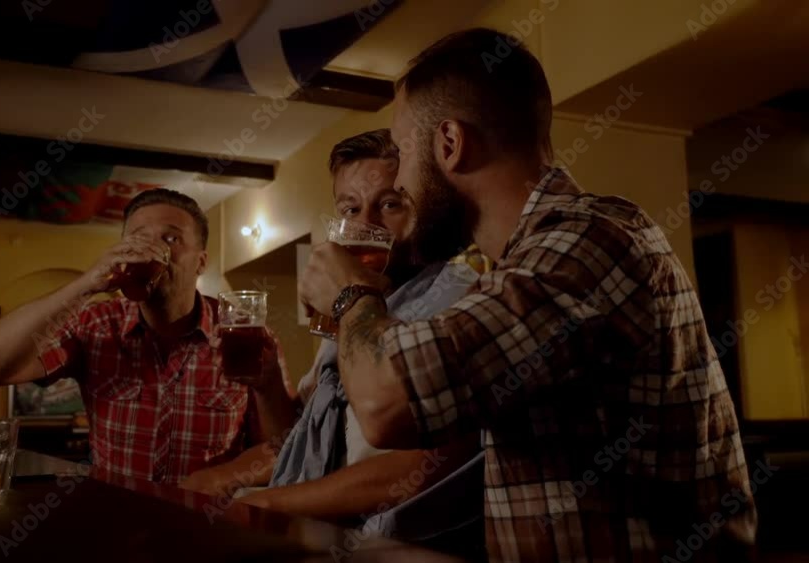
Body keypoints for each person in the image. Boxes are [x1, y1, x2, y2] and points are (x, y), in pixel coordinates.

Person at [298, 29, 757, 562]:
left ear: (449, 144)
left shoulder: (585, 244)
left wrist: (350, 293)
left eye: (402, 153)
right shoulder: (529, 260)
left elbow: (386, 404)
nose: (398, 181)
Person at [182, 130, 487, 555]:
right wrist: (267, 386)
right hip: (330, 540)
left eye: (390, 204)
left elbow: (422, 464)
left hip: (403, 549)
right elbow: (301, 441)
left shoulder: (462, 295)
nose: (366, 226)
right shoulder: (352, 310)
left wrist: (268, 503)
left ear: (428, 208)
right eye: (350, 209)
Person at [0, 188, 294, 485]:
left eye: (171, 238)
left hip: (207, 521)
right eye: (138, 238)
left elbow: (284, 446)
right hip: (117, 518)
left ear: (201, 262)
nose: (151, 249)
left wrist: (218, 478)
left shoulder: (243, 334)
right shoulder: (95, 325)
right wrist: (87, 283)